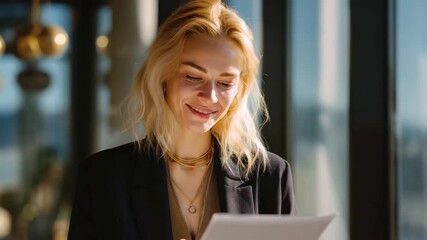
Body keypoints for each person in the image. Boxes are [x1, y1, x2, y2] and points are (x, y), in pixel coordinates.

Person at [67, 0, 297, 239]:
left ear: (239, 89)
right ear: (162, 75)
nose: (210, 96)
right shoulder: (102, 178)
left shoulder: (270, 176)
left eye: (225, 83)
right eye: (193, 76)